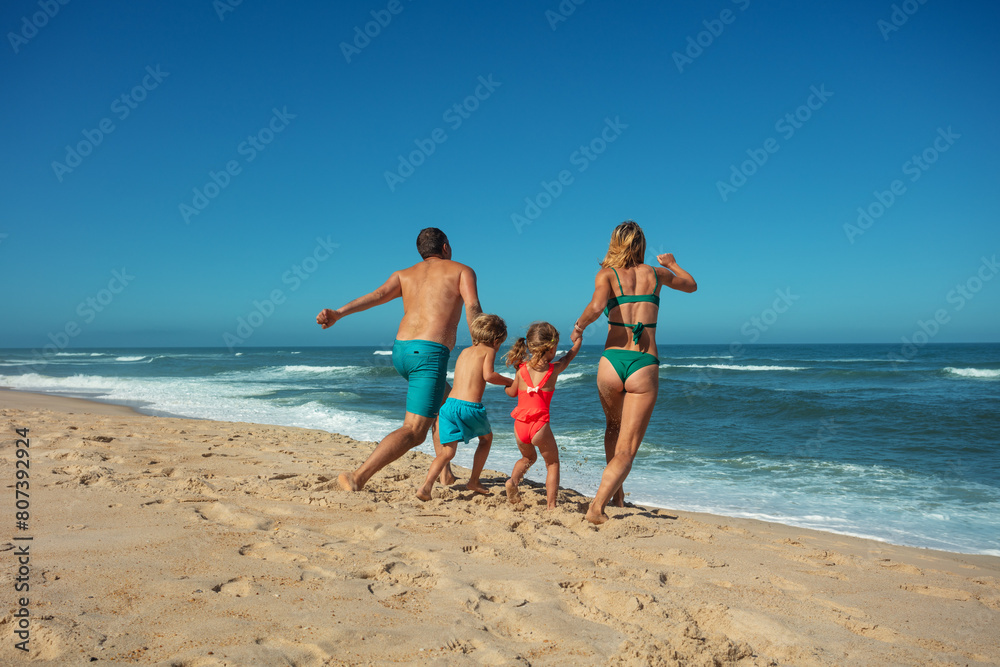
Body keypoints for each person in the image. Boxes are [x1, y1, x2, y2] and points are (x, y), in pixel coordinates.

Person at [316, 228, 482, 492]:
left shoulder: (404, 274)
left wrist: (338, 313)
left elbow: (377, 296)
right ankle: (357, 477)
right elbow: (472, 307)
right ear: (446, 247)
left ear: (422, 251)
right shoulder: (461, 271)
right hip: (428, 354)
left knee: (444, 405)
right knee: (414, 431)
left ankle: (445, 475)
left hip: (402, 351)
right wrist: (480, 346)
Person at [571, 221, 697, 524]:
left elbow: (595, 305)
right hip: (643, 363)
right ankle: (597, 506)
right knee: (627, 449)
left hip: (611, 362)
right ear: (641, 244)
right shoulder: (657, 274)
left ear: (614, 244)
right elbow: (691, 284)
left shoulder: (607, 274)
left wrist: (578, 327)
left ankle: (617, 494)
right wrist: (673, 263)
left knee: (613, 428)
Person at [416, 314, 512, 501]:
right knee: (486, 439)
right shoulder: (489, 351)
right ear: (496, 340)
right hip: (469, 407)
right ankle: (474, 481)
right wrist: (510, 381)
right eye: (500, 343)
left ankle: (426, 486)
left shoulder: (465, 352)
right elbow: (489, 375)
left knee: (447, 452)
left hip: (448, 407)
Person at [503, 322, 581, 509]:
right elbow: (569, 356)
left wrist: (507, 385)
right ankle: (551, 505)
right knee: (552, 463)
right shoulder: (553, 369)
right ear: (552, 348)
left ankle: (512, 481)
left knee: (527, 458)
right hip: (539, 426)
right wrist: (578, 341)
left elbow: (512, 393)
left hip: (520, 425)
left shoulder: (521, 370)